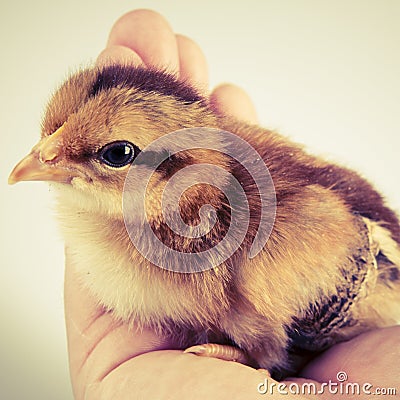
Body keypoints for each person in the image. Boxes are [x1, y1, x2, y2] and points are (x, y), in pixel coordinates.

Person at [64, 9, 400, 399]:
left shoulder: (261, 244)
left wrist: (259, 356)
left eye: (118, 153)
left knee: (271, 264)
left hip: (373, 283)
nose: (44, 156)